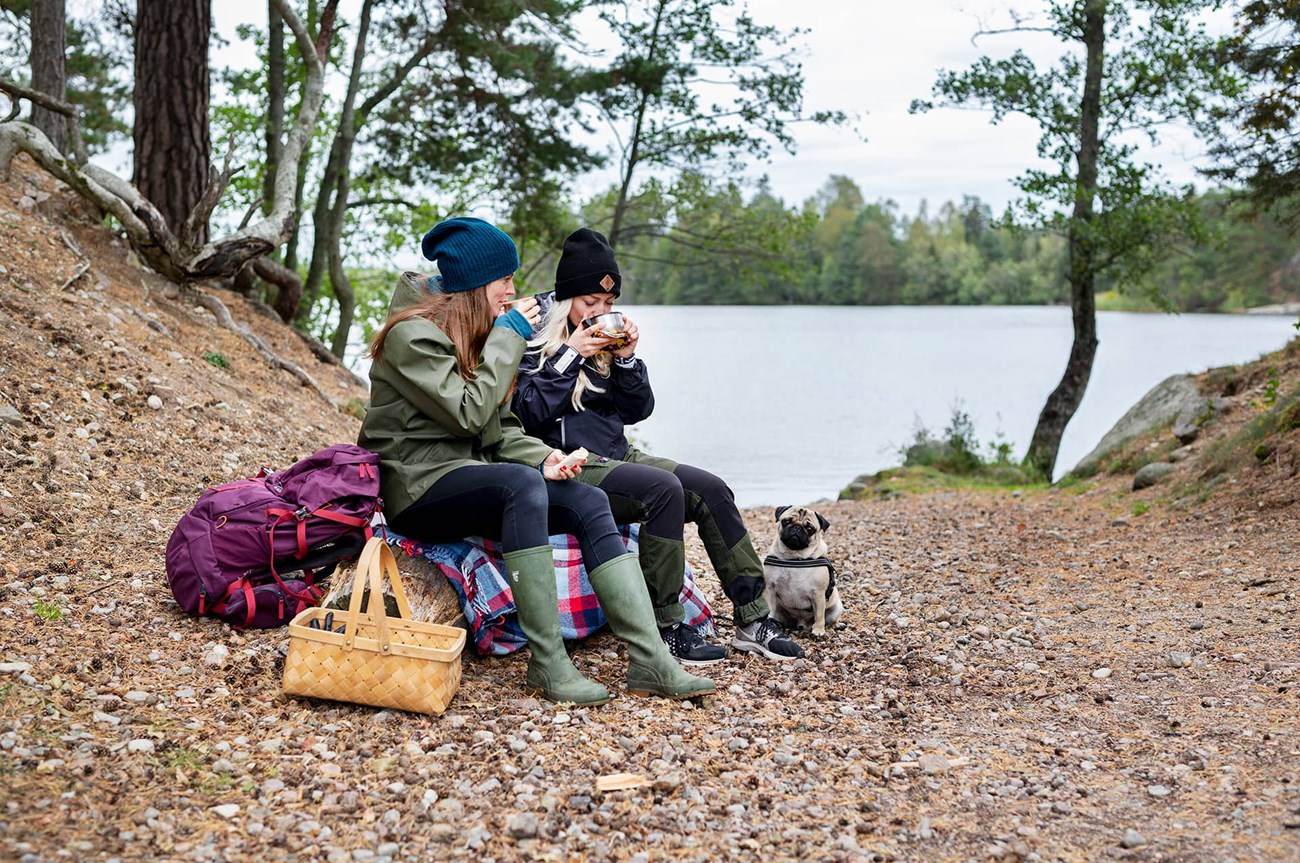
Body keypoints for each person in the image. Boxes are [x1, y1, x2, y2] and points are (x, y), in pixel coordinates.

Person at [358, 217, 714, 706]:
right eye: (505, 280)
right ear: (477, 284)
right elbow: (467, 414)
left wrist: (547, 457)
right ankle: (548, 663)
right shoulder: (412, 338)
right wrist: (509, 338)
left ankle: (651, 658)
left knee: (587, 499)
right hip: (418, 485)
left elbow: (499, 428)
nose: (513, 290)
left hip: (470, 475)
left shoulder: (480, 334)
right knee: (516, 487)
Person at [512, 227, 805, 664]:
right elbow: (528, 411)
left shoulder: (602, 344)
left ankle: (752, 618)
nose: (600, 312)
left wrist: (627, 358)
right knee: (660, 490)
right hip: (566, 463)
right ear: (566, 298)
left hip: (616, 455)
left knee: (711, 488)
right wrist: (571, 352)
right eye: (589, 303)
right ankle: (667, 627)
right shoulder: (532, 341)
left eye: (608, 304)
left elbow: (637, 410)